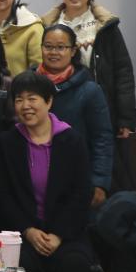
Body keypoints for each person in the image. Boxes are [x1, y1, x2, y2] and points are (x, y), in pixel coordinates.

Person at [0, 71, 95, 272]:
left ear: (49, 101)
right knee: (20, 266)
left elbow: (81, 193)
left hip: (66, 233)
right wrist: (28, 230)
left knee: (75, 267)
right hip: (22, 232)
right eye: (19, 99)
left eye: (32, 99)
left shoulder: (72, 141)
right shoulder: (8, 142)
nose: (25, 106)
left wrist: (58, 234)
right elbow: (3, 194)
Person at [41, 0, 136, 192]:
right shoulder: (46, 25)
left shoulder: (106, 27)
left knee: (100, 167)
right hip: (60, 108)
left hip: (100, 108)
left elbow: (123, 72)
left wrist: (126, 118)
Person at [37, 23, 114, 206]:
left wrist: (100, 182)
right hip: (35, 176)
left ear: (72, 51)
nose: (53, 52)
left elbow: (102, 138)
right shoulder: (29, 84)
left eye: (61, 47)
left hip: (75, 178)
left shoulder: (89, 90)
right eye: (48, 46)